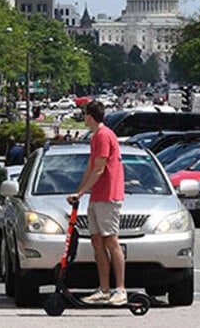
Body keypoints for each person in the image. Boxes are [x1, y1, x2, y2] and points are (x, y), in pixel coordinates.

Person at [67, 101, 126, 305]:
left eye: (85, 115)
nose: (84, 118)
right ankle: (104, 289)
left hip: (108, 195)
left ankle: (120, 289)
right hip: (97, 196)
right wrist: (78, 192)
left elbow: (100, 169)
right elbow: (90, 168)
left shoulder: (103, 135)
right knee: (97, 241)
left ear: (90, 116)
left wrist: (82, 192)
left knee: (111, 240)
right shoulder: (95, 137)